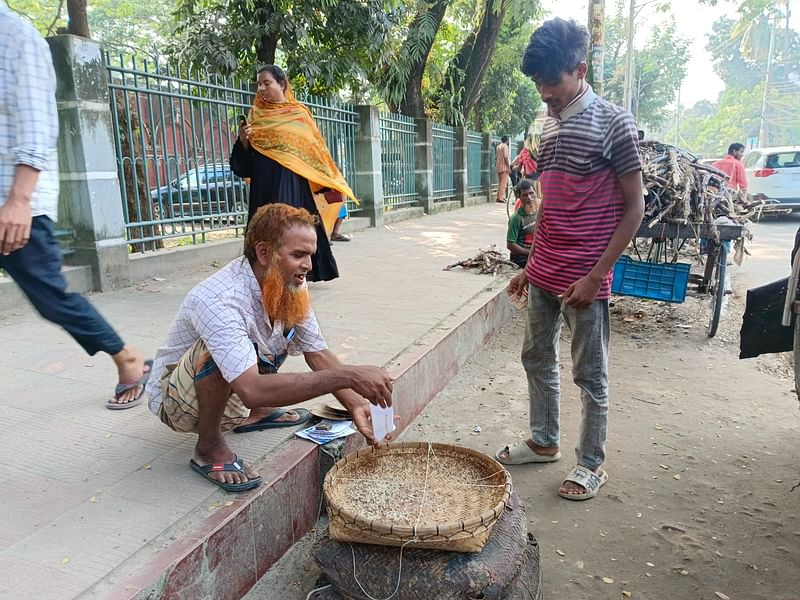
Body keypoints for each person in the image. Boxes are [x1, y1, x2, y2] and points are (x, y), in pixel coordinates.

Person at [145, 203, 395, 492]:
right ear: (263, 253)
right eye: (298, 255)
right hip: (177, 402)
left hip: (235, 386)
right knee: (220, 351)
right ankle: (208, 446)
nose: (309, 267)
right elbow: (251, 390)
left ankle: (259, 413)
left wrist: (357, 405)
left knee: (273, 331)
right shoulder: (219, 299)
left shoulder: (289, 282)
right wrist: (349, 375)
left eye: (310, 256)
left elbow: (316, 353)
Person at [495, 18, 644, 502]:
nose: (543, 93)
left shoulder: (614, 121)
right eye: (537, 83)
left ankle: (592, 463)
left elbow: (634, 206)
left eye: (551, 82)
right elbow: (553, 207)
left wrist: (597, 273)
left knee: (589, 373)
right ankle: (544, 441)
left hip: (585, 277)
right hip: (545, 270)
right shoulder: (550, 125)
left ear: (579, 69)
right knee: (535, 356)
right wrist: (529, 265)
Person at [0, 3, 151, 410]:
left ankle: (127, 357)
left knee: (51, 297)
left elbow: (37, 123)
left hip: (13, 203)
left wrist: (18, 200)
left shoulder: (15, 37)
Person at [231, 65, 355, 282]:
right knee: (265, 231)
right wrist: (243, 141)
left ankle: (293, 276)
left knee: (290, 230)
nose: (261, 88)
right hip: (263, 189)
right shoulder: (255, 116)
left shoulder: (299, 114)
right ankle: (264, 276)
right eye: (258, 84)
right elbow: (243, 167)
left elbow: (315, 149)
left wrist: (327, 178)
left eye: (266, 83)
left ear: (282, 84)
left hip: (292, 186)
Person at [506, 180, 539, 268]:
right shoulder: (516, 218)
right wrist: (530, 253)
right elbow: (510, 244)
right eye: (525, 195)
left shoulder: (539, 212)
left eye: (531, 193)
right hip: (521, 259)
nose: (529, 197)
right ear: (519, 197)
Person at [495, 135, 511, 203]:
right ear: (507, 140)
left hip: (498, 166)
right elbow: (506, 157)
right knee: (503, 184)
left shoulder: (498, 147)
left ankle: (500, 196)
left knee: (500, 183)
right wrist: (508, 167)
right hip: (504, 167)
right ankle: (500, 198)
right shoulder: (505, 146)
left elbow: (496, 157)